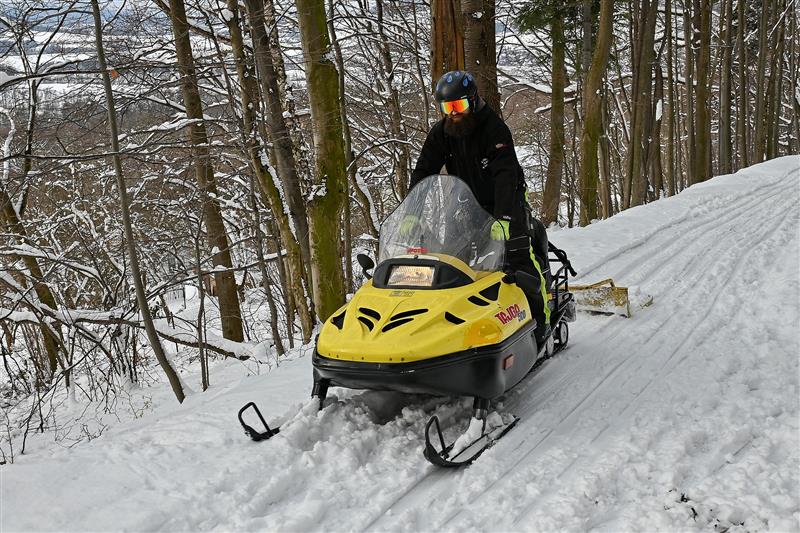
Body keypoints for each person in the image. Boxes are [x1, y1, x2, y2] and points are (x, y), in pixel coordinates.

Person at [407, 70, 552, 343]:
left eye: (458, 105)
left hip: (506, 203)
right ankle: (449, 333)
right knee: (450, 264)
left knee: (519, 262)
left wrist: (504, 218)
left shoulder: (494, 129)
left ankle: (542, 326)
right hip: (466, 204)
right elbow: (423, 171)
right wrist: (411, 214)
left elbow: (506, 176)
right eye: (447, 107)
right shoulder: (442, 133)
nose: (453, 113)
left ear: (472, 101)